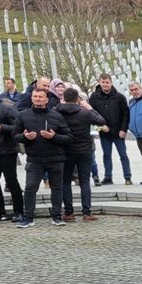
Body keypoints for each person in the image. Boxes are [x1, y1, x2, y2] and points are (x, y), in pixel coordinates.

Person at [14, 87, 72, 228]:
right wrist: (25, 137)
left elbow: (69, 138)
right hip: (35, 159)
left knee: (57, 188)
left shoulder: (57, 116)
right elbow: (15, 135)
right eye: (35, 96)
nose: (37, 99)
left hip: (55, 158)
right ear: (31, 98)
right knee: (30, 187)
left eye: (40, 97)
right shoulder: (23, 115)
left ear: (46, 99)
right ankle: (28, 217)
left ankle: (57, 216)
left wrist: (54, 137)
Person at [56, 87, 106, 222]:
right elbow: (101, 121)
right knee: (84, 181)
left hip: (66, 150)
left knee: (65, 181)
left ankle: (69, 212)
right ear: (77, 98)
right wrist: (89, 107)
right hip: (84, 150)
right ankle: (86, 212)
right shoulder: (85, 113)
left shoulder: (57, 112)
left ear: (64, 98)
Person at [89, 73, 131, 185]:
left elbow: (125, 114)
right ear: (99, 83)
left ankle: (127, 176)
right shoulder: (94, 97)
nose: (105, 84)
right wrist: (100, 126)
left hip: (118, 132)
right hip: (104, 132)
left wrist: (124, 129)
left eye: (107, 82)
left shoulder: (120, 97)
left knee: (123, 154)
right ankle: (108, 177)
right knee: (106, 155)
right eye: (103, 82)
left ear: (111, 83)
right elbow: (91, 114)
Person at [0, 96, 24, 221]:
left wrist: (1, 127)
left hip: (7, 151)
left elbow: (18, 127)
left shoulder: (7, 107)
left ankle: (18, 211)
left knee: (11, 181)